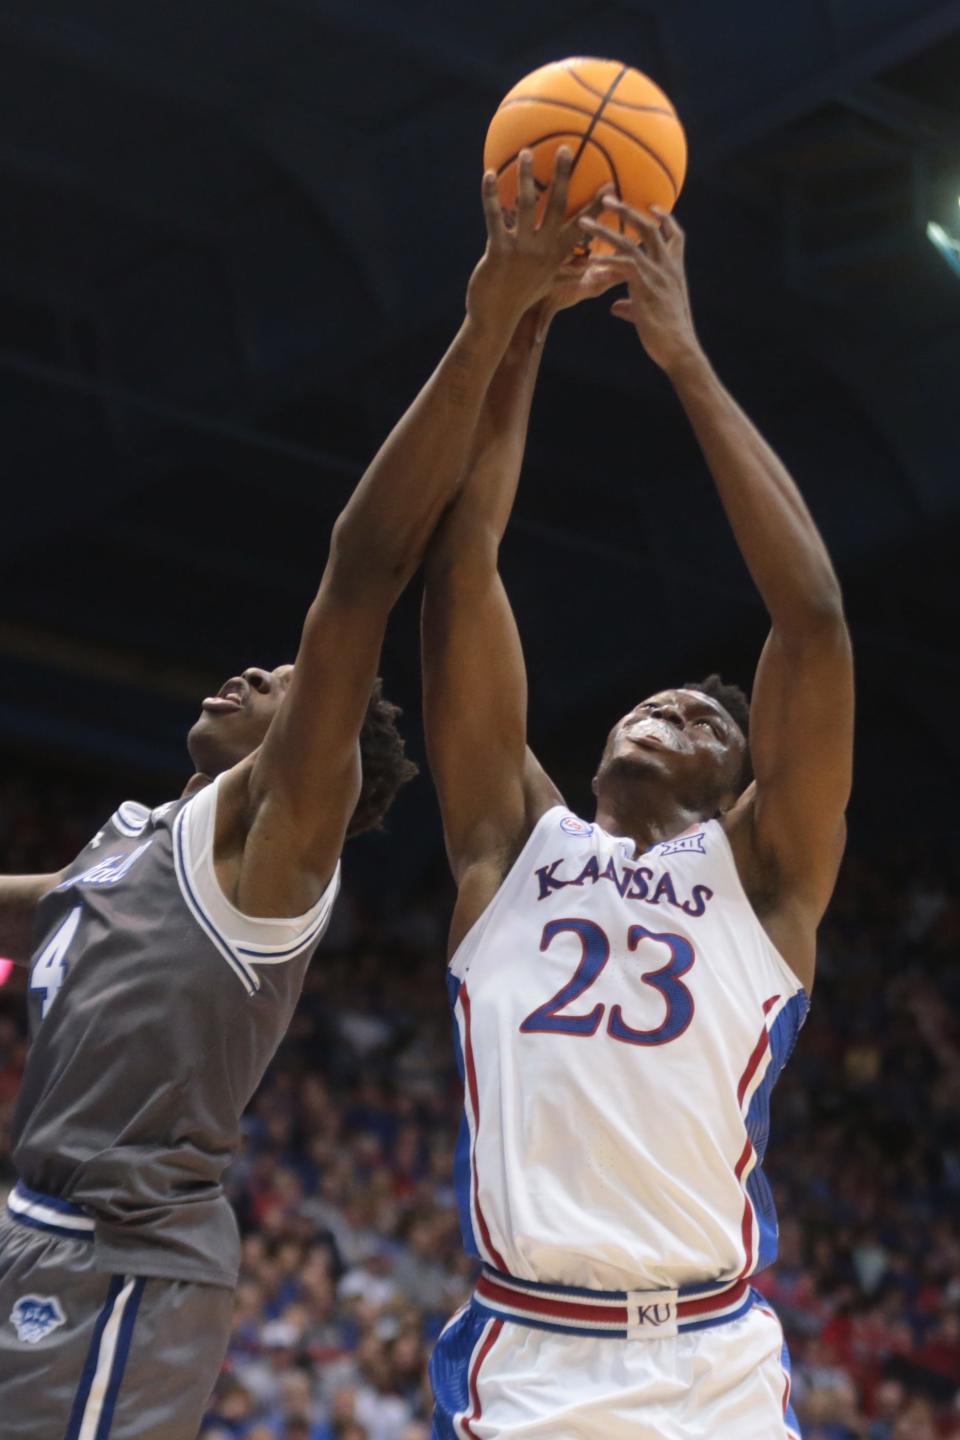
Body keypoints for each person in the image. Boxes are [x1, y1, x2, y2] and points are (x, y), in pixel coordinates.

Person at [0, 150, 610, 1440]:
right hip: (33, 1229)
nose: (251, 673)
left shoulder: (274, 844)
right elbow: (38, 915)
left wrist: (494, 320)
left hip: (121, 1271)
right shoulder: (136, 847)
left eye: (279, 683)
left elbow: (369, 564)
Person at [423, 181, 854, 1438]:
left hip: (714, 1358)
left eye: (709, 721)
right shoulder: (511, 845)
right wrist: (523, 326)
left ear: (741, 787)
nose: (670, 706)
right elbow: (465, 564)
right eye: (657, 700)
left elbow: (814, 620)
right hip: (533, 1351)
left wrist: (682, 355)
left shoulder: (765, 885)